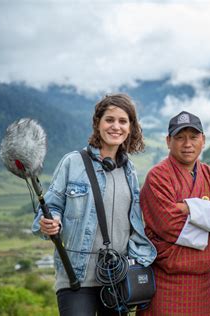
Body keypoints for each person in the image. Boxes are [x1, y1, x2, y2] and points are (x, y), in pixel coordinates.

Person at [32, 94, 156, 316]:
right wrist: (51, 222)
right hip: (76, 277)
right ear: (97, 123)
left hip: (116, 279)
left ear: (131, 127)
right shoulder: (73, 162)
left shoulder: (129, 171)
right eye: (109, 120)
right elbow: (50, 208)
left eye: (122, 121)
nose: (115, 126)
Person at [138, 111, 210, 315]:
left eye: (193, 137)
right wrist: (209, 211)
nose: (187, 144)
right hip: (165, 281)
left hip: (201, 285)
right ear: (168, 141)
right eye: (180, 137)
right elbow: (169, 224)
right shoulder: (157, 177)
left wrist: (188, 207)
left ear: (203, 140)